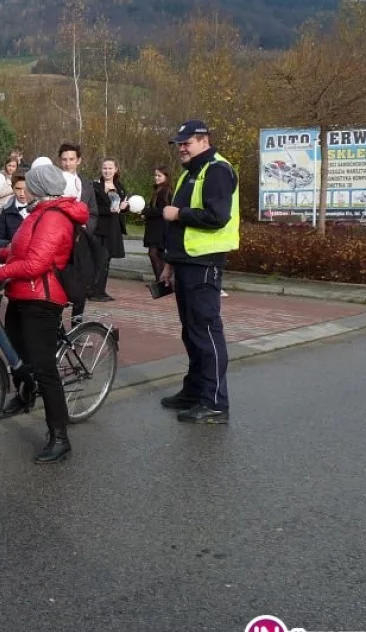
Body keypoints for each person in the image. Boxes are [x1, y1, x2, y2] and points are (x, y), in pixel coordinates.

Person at [0, 164, 89, 464]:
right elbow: (22, 249)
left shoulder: (55, 217)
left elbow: (36, 263)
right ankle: (25, 394)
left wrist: (1, 273)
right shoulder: (37, 212)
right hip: (22, 293)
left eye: (29, 184)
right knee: (18, 353)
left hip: (43, 299)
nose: (24, 188)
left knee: (45, 368)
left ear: (38, 187)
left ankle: (60, 438)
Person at [159, 120, 240, 424]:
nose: (181, 148)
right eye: (179, 143)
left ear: (204, 141)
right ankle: (194, 392)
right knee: (191, 331)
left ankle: (215, 402)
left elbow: (217, 216)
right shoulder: (190, 173)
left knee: (206, 332)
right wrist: (170, 262)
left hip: (205, 262)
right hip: (187, 262)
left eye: (187, 142)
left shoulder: (216, 170)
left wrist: (178, 213)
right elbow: (178, 227)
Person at [90, 158, 128, 301]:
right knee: (99, 259)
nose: (107, 171)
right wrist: (111, 209)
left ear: (116, 169)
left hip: (113, 228)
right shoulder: (95, 186)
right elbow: (93, 207)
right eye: (105, 168)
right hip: (99, 228)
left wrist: (125, 207)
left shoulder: (120, 186)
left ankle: (101, 290)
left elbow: (121, 206)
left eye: (110, 168)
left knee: (107, 260)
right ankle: (93, 291)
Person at [141, 165, 172, 281]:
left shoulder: (166, 191)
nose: (156, 178)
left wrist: (146, 211)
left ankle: (161, 280)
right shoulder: (158, 190)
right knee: (157, 254)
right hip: (155, 227)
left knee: (154, 254)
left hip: (160, 228)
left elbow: (163, 209)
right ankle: (160, 280)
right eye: (155, 175)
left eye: (159, 176)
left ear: (166, 177)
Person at [58, 142, 98, 229]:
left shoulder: (87, 184)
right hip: (58, 233)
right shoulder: (52, 183)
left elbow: (93, 214)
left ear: (78, 160)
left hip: (81, 236)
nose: (67, 164)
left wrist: (85, 228)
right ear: (60, 161)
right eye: (64, 159)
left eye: (71, 159)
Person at [0, 173, 29, 249]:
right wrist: (10, 244)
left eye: (25, 189)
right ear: (12, 188)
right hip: (13, 256)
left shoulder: (40, 210)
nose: (22, 193)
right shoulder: (3, 212)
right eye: (18, 189)